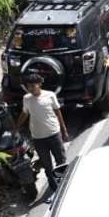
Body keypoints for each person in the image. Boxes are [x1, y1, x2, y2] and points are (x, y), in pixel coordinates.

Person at [15, 73, 68, 202]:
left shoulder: (50, 95)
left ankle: (64, 186)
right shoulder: (26, 99)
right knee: (47, 165)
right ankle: (55, 189)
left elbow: (58, 112)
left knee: (61, 161)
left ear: (40, 84)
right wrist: (16, 127)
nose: (30, 89)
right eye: (28, 87)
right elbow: (24, 113)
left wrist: (64, 130)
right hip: (38, 138)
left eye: (33, 86)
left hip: (54, 134)